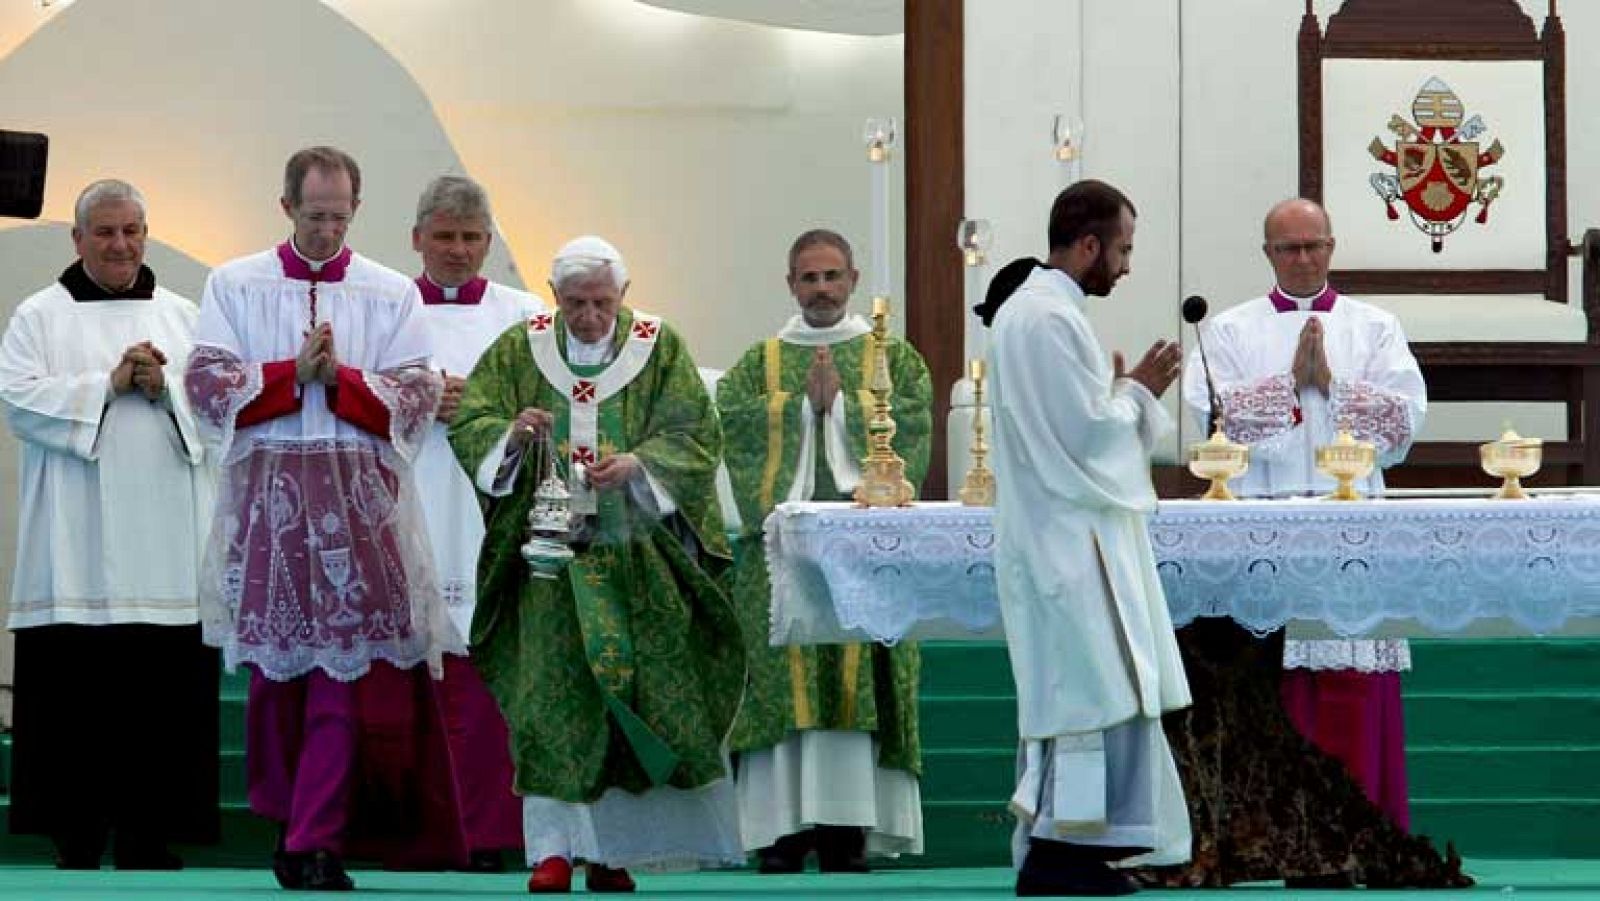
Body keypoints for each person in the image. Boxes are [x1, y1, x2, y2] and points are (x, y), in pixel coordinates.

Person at [1148, 197, 1467, 889]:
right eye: (1290, 248)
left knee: (1351, 678)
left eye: (1315, 245)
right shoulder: (1229, 330)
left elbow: (1403, 426)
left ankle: (1361, 837)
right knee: (1269, 684)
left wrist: (1333, 385)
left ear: (1332, 245)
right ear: (1268, 253)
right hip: (1261, 527)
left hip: (1352, 531)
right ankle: (1266, 842)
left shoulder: (1376, 327)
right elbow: (1213, 429)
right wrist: (1290, 384)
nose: (1304, 258)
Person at [185, 146, 457, 891]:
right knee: (278, 677)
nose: (329, 229)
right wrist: (287, 375)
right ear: (286, 209)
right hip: (271, 499)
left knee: (345, 675)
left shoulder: (389, 291)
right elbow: (205, 384)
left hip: (359, 503)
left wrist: (341, 380)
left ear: (357, 211)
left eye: (340, 216)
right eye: (315, 215)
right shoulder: (236, 282)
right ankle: (287, 823)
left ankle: (318, 837)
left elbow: (418, 395)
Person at [448, 235, 745, 894]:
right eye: (576, 302)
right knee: (548, 705)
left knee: (623, 704)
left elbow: (697, 431)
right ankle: (554, 851)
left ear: (623, 296)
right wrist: (513, 433)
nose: (589, 316)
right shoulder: (519, 346)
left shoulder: (656, 346)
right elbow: (473, 421)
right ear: (554, 296)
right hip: (546, 567)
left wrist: (641, 464)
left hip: (633, 556)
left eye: (602, 302)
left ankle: (613, 852)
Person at [980, 179, 1192, 897]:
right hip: (1066, 541)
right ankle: (1058, 855)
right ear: (1090, 243)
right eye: (1123, 249)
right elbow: (1084, 437)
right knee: (1087, 697)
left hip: (1064, 534)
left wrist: (1120, 395)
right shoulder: (1045, 317)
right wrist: (1139, 394)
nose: (1126, 267)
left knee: (1097, 693)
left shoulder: (1041, 310)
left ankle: (1081, 848)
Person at [0, 179, 218, 870]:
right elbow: (17, 397)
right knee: (75, 700)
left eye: (131, 231)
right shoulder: (39, 315)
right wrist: (109, 385)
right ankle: (76, 834)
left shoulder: (186, 316)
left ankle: (150, 835)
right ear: (78, 238)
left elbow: (221, 407)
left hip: (168, 548)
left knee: (163, 701)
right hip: (77, 548)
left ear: (146, 234)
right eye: (105, 232)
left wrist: (167, 388)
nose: (120, 244)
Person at [718, 229, 931, 873]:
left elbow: (912, 424)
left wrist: (839, 407)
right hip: (780, 556)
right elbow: (734, 422)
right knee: (780, 685)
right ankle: (783, 831)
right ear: (790, 284)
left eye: (832, 276)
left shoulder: (890, 355)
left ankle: (846, 830)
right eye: (808, 279)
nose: (821, 290)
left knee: (852, 680)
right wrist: (793, 409)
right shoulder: (761, 361)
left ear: (853, 278)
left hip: (861, 554)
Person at [410, 174, 536, 870]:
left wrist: (486, 408)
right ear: (417, 238)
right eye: (444, 236)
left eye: (470, 237)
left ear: (489, 241)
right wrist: (419, 397)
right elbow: (355, 389)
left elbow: (549, 400)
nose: (458, 250)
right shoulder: (386, 307)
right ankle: (419, 831)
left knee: (487, 670)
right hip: (412, 500)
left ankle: (491, 832)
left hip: (493, 507)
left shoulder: (524, 314)